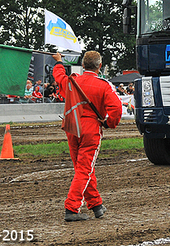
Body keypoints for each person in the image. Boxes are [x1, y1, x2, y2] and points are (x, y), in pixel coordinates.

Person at [52, 51, 122, 221]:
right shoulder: (104, 85)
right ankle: (72, 207)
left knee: (82, 168)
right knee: (84, 169)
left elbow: (59, 76)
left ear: (83, 65)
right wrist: (108, 123)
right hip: (90, 129)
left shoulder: (72, 81)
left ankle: (96, 205)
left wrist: (59, 62)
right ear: (99, 66)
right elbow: (117, 109)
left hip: (71, 126)